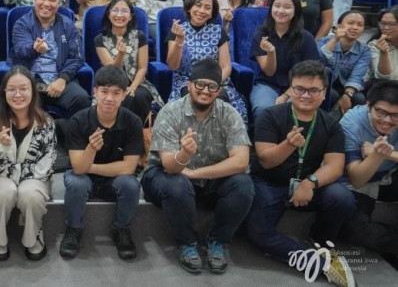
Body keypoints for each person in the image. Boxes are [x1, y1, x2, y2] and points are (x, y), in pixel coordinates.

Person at [245, 60, 356, 287]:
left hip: (308, 183)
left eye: (313, 90)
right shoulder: (270, 115)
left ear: (324, 93)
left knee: (343, 198)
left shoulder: (331, 124)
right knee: (258, 233)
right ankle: (320, 262)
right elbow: (266, 161)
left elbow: (335, 166)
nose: (306, 95)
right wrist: (288, 144)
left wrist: (310, 182)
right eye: (299, 89)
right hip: (269, 182)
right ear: (290, 89)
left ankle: (320, 239)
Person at [141, 58, 254, 275]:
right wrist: (184, 153)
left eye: (212, 86)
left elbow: (241, 161)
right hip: (165, 176)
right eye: (200, 84)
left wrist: (195, 173)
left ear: (219, 90)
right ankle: (187, 243)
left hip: (205, 178)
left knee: (243, 184)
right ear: (189, 85)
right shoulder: (171, 112)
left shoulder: (229, 114)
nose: (205, 90)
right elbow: (170, 166)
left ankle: (218, 242)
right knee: (177, 185)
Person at [59, 65, 142, 260]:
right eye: (104, 92)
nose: (109, 98)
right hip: (84, 177)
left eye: (116, 93)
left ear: (124, 95)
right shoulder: (78, 121)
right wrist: (90, 150)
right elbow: (78, 168)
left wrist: (90, 166)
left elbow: (129, 167)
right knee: (76, 182)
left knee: (130, 184)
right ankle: (73, 229)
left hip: (114, 179)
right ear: (94, 92)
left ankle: (121, 229)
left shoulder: (133, 122)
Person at [0, 65, 56, 261]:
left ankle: (34, 234)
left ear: (33, 91)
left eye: (24, 88)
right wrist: (1, 149)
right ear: (4, 92)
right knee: (5, 191)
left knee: (29, 193)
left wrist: (14, 178)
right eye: (11, 89)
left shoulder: (46, 122)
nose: (18, 94)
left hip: (34, 179)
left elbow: (45, 166)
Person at [167, 0, 248, 123]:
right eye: (198, 5)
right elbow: (173, 65)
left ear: (212, 13)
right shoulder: (177, 30)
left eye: (207, 7)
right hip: (187, 81)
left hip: (216, 81)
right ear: (189, 8)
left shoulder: (218, 31)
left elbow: (226, 66)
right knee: (191, 100)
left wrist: (212, 83)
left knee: (221, 99)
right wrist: (179, 40)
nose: (202, 10)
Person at [11, 0, 92, 115]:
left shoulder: (68, 25)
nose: (46, 4)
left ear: (59, 3)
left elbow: (77, 58)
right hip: (30, 82)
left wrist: (62, 79)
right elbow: (20, 51)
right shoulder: (22, 23)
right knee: (25, 104)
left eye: (52, 0)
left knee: (81, 99)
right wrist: (34, 48)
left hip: (59, 79)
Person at [339, 81, 398, 252]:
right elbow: (356, 179)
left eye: (395, 115)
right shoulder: (351, 123)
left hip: (391, 174)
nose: (387, 120)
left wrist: (386, 154)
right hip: (361, 181)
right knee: (353, 231)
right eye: (381, 112)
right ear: (368, 106)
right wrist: (376, 156)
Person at [250, 0, 321, 117]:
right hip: (267, 83)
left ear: (296, 11)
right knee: (263, 109)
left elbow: (310, 73)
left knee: (292, 110)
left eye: (287, 7)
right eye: (277, 6)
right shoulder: (261, 34)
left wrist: (286, 95)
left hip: (300, 86)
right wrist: (271, 52)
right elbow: (269, 72)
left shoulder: (306, 37)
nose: (281, 11)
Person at [94, 0, 164, 119]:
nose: (119, 15)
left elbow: (142, 68)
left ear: (130, 16)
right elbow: (112, 72)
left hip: (137, 83)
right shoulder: (100, 39)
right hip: (111, 83)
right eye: (115, 10)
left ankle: (140, 132)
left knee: (138, 96)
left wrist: (133, 87)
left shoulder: (139, 37)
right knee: (121, 97)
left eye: (124, 11)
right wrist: (121, 54)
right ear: (108, 14)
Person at [318, 11, 371, 114]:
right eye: (351, 23)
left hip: (348, 88)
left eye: (360, 25)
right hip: (325, 85)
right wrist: (335, 40)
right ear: (339, 26)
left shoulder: (364, 50)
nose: (355, 27)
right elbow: (317, 62)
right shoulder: (324, 41)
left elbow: (358, 75)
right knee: (330, 95)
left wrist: (348, 95)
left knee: (359, 98)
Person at [368, 6, 398, 81]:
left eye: (392, 24)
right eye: (383, 23)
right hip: (386, 86)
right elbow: (383, 77)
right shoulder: (374, 45)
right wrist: (383, 53)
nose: (386, 28)